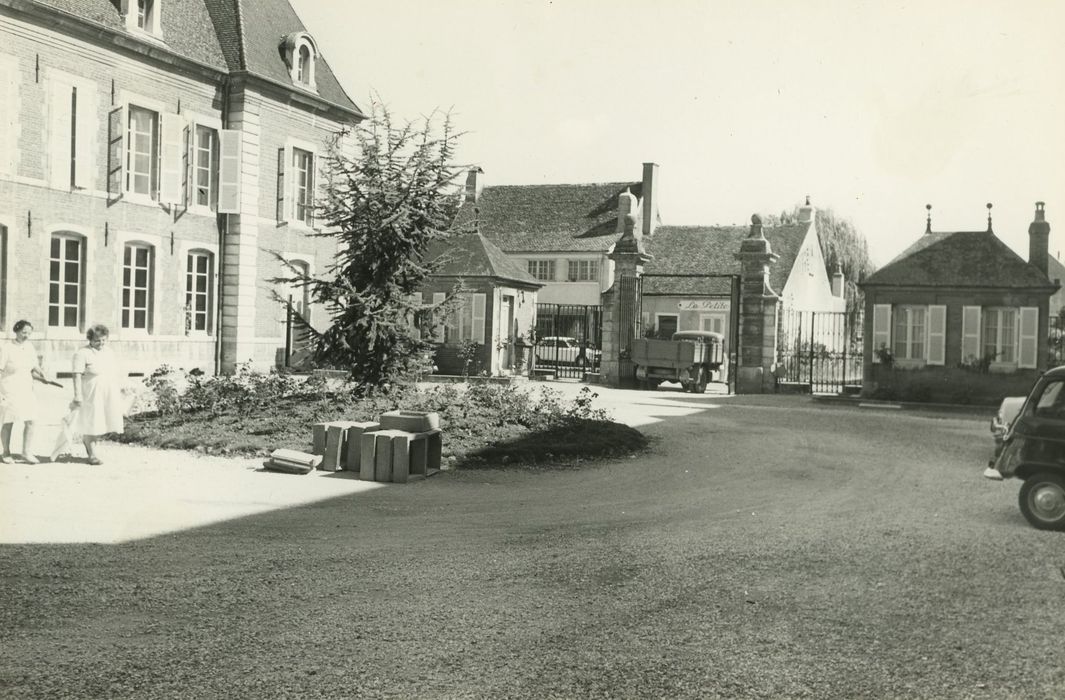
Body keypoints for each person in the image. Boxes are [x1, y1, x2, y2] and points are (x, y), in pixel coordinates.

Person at [71, 324, 125, 465]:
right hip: (91, 391)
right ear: (90, 339)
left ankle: (90, 445)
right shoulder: (82, 353)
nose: (101, 343)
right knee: (92, 420)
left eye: (103, 340)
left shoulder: (109, 352)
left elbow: (114, 371)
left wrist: (121, 387)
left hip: (107, 390)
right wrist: (77, 395)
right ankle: (92, 454)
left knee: (102, 420)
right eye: (97, 341)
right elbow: (76, 375)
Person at [1, 320, 49, 464]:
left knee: (31, 420)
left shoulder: (29, 346)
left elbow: (34, 365)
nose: (26, 335)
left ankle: (26, 452)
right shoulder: (7, 347)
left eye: (29, 333)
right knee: (8, 421)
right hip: (9, 388)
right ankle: (6, 452)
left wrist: (43, 375)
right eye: (24, 332)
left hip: (27, 388)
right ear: (16, 331)